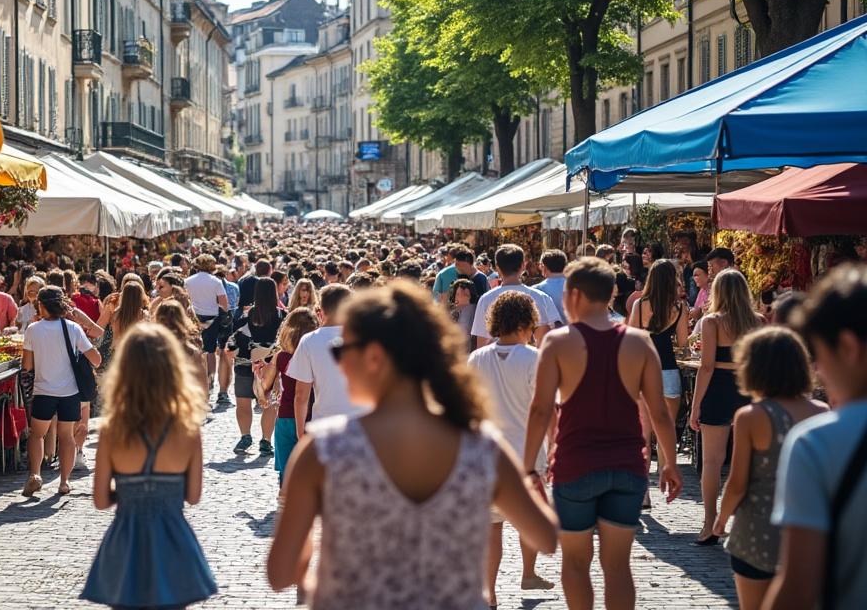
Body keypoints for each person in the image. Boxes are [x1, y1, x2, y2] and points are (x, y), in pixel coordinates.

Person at [267, 282, 558, 609]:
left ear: (374, 358)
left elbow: (281, 573)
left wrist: (321, 576)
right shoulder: (482, 448)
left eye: (342, 352)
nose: (339, 364)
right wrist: (528, 482)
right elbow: (545, 539)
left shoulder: (323, 449)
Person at [523, 257, 681, 610]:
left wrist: (528, 465)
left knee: (576, 563)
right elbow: (658, 412)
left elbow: (540, 409)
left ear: (574, 295)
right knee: (617, 565)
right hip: (627, 466)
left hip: (575, 464)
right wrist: (669, 463)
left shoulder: (559, 343)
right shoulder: (640, 343)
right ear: (612, 293)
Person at [81, 323, 217, 609]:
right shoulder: (188, 429)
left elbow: (101, 499)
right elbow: (193, 496)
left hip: (127, 539)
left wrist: (132, 492)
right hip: (173, 538)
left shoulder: (112, 430)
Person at [763, 264, 867, 608]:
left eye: (819, 355)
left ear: (849, 349)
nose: (818, 370)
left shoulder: (817, 443)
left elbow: (798, 588)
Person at [713, 327, 826, 610]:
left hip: (757, 535)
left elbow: (738, 482)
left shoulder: (752, 417)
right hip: (810, 537)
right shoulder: (822, 413)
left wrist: (720, 518)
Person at [468, 293, 555, 605]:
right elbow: (547, 408)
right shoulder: (534, 358)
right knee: (527, 518)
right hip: (528, 452)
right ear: (525, 322)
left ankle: (489, 593)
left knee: (492, 528)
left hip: (487, 455)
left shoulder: (476, 359)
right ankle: (528, 572)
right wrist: (554, 444)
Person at [690, 269, 762, 545]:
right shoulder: (757, 321)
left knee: (711, 461)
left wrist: (696, 406)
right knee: (750, 460)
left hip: (718, 387)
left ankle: (710, 523)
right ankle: (748, 524)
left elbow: (706, 366)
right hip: (747, 386)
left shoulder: (712, 322)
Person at [21, 287, 101, 497]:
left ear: (42, 305)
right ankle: (64, 482)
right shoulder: (73, 328)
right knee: (67, 437)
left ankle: (35, 475)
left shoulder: (33, 330)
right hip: (69, 393)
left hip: (43, 391)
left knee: (37, 434)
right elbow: (96, 359)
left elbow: (27, 365)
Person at [628, 258, 689, 504]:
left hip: (644, 371)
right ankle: (666, 479)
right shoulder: (679, 307)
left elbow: (631, 338)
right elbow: (683, 343)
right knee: (667, 431)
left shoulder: (641, 304)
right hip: (669, 370)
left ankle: (643, 494)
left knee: (643, 434)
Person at [286, 284, 358, 438]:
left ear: (321, 309)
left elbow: (301, 395)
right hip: (362, 424)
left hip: (325, 426)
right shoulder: (367, 338)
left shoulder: (309, 341)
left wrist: (300, 434)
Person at [227, 276, 283, 456]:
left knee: (243, 403)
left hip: (245, 363)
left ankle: (245, 435)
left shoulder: (246, 315)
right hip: (271, 366)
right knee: (270, 404)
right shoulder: (282, 315)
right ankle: (266, 440)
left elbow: (234, 338)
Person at [263, 307, 318, 483]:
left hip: (286, 416)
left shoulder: (281, 357)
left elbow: (264, 388)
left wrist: (259, 375)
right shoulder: (316, 355)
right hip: (311, 415)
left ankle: (287, 502)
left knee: (286, 470)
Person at [471, 244, 562, 347]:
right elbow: (547, 336)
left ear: (497, 268)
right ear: (523, 266)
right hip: (532, 360)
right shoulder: (540, 297)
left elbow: (482, 342)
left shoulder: (486, 299)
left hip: (497, 360)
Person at [186, 254, 230, 396]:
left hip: (193, 318)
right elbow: (224, 305)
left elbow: (184, 300)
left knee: (194, 349)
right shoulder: (216, 281)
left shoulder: (187, 281)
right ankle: (210, 380)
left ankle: (194, 377)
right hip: (212, 317)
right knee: (210, 350)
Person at [533, 249, 569, 325]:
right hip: (575, 332)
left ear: (544, 267)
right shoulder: (577, 286)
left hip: (547, 333)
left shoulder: (537, 290)